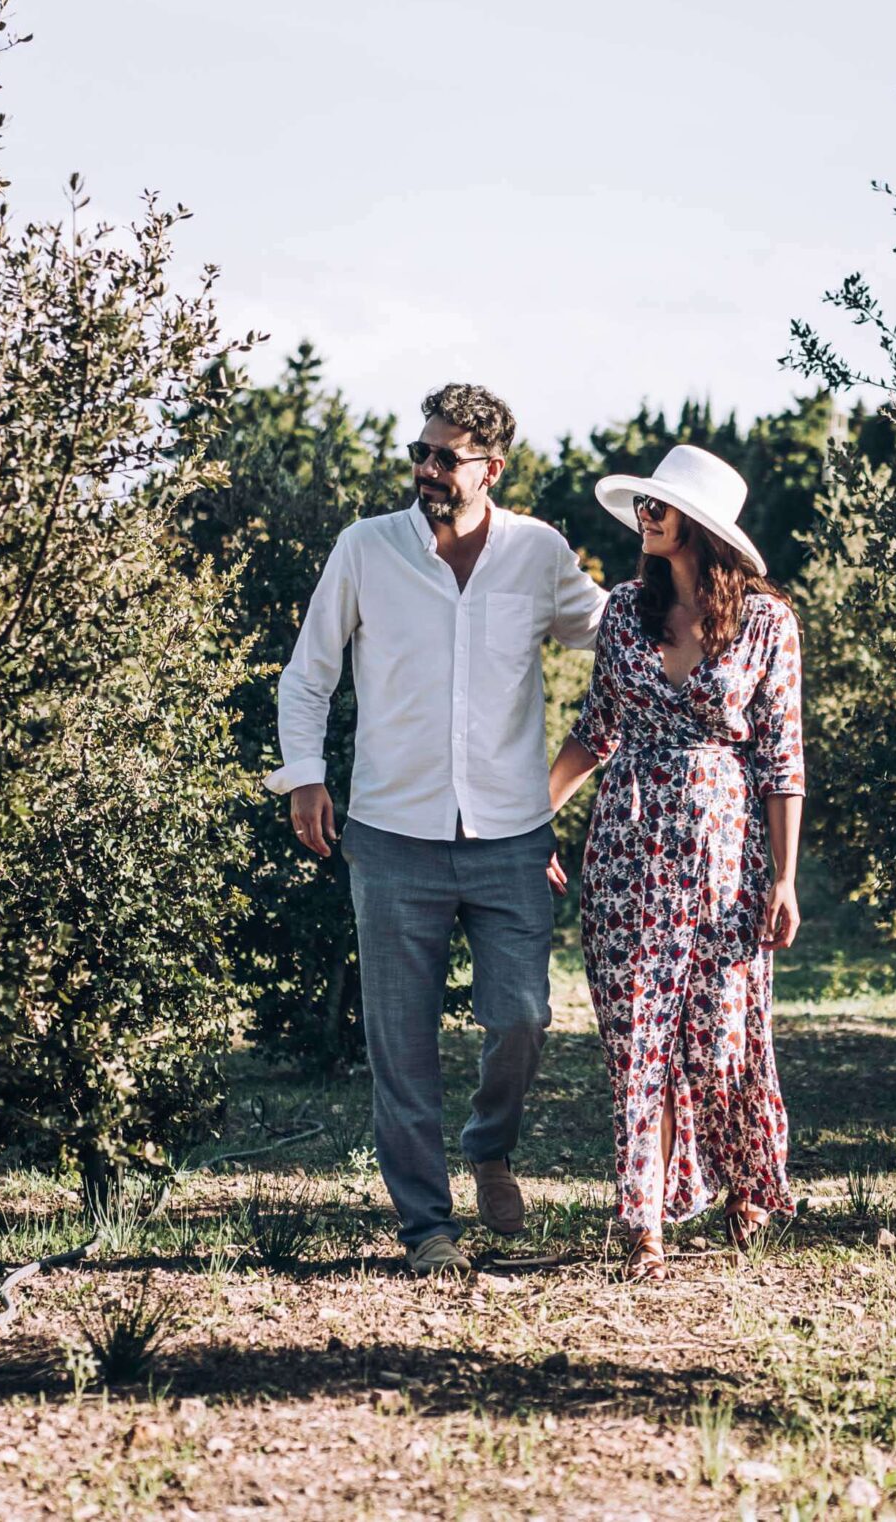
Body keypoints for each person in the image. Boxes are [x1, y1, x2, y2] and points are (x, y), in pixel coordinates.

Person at [266, 383, 606, 1276]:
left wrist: (709, 590)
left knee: (524, 1017)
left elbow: (615, 636)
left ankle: (490, 1144)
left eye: (444, 457)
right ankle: (428, 1230)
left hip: (510, 835)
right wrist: (305, 775)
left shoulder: (538, 554)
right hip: (390, 832)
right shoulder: (366, 550)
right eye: (420, 452)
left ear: (490, 469)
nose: (425, 469)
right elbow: (309, 674)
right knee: (400, 1043)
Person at [547, 444, 804, 1281]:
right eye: (643, 507)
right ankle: (645, 1221)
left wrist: (787, 877)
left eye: (659, 508)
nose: (643, 519)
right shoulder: (624, 613)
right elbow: (597, 731)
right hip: (627, 848)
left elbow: (782, 760)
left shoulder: (768, 623)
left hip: (727, 854)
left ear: (699, 527)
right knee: (638, 1039)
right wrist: (526, 819)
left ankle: (747, 1182)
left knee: (725, 1038)